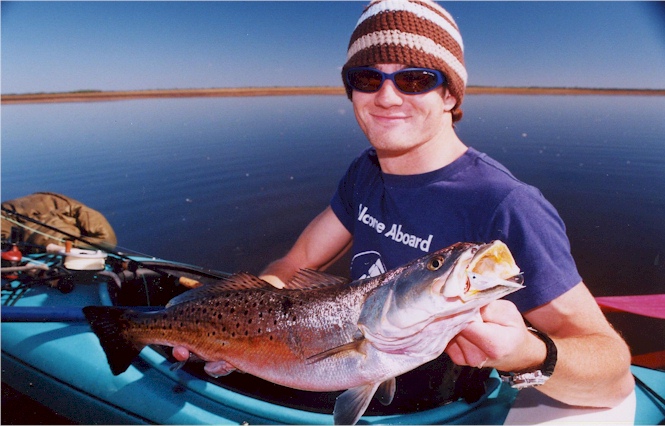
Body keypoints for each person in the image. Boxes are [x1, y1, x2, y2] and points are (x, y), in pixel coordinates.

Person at [175, 0, 634, 410]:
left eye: (415, 78)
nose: (387, 96)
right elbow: (295, 262)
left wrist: (528, 353)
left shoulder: (507, 206)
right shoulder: (366, 172)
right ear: (351, 91)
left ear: (449, 94)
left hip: (437, 403)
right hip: (347, 360)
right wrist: (232, 326)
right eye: (367, 78)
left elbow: (613, 375)